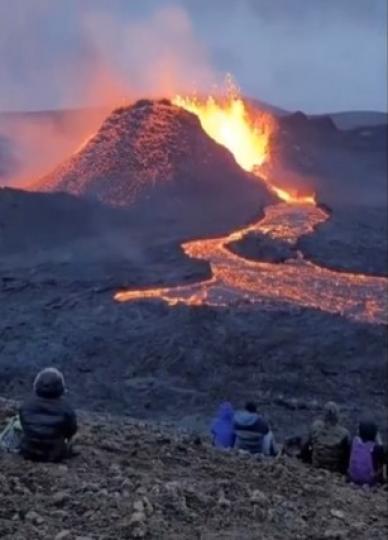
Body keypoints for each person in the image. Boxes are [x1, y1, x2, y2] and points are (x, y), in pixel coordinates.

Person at [19, 367, 77, 462]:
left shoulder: (26, 405)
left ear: (36, 385)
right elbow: (71, 430)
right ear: (61, 388)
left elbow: (24, 425)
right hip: (55, 455)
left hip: (28, 451)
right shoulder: (66, 408)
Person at [305, 401, 350, 474]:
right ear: (337, 415)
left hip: (317, 465)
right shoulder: (344, 433)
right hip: (334, 468)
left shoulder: (316, 426)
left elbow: (309, 443)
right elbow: (346, 453)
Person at [348, 419, 385, 486]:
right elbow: (382, 460)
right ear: (375, 433)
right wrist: (379, 439)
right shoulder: (376, 448)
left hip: (352, 477)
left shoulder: (354, 442)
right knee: (381, 463)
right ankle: (380, 481)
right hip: (369, 480)